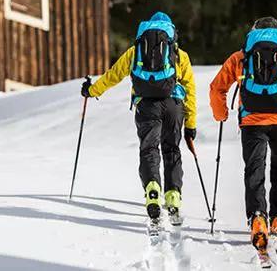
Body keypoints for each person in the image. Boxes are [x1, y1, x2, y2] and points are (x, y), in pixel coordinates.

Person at [81, 12, 197, 224]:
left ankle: (152, 188)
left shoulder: (136, 51)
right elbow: (190, 89)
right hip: (173, 105)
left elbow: (113, 75)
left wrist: (92, 91)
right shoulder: (179, 54)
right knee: (172, 149)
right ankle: (173, 197)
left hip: (146, 106)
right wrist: (190, 124)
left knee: (149, 149)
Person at [209, 17, 277, 253]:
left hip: (251, 122)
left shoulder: (241, 57)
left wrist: (221, 114)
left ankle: (257, 218)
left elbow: (217, 88)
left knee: (254, 170)